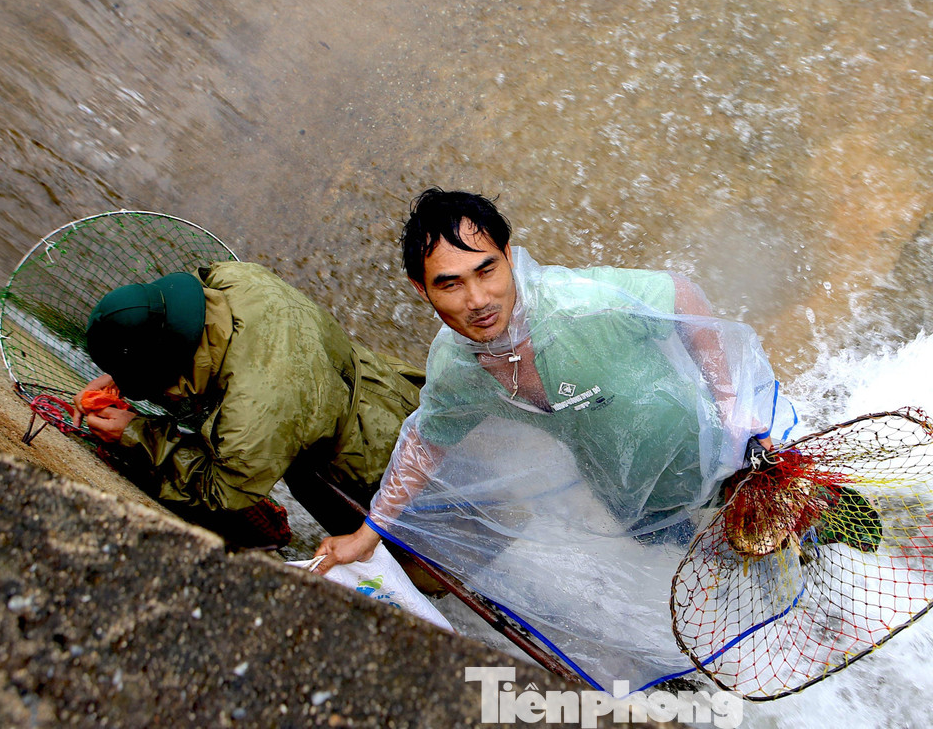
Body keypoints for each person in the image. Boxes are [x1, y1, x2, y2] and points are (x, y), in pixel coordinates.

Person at [313, 189, 779, 574]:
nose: (478, 300)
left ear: (507, 256)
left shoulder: (580, 305)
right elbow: (426, 440)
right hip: (631, 497)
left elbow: (682, 295)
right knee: (713, 565)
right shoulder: (457, 368)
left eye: (486, 270)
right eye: (450, 284)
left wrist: (731, 406)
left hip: (719, 455)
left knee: (796, 545)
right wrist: (368, 535)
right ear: (422, 288)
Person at [78, 260, 423, 547]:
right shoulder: (232, 277)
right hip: (392, 388)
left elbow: (225, 492)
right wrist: (122, 375)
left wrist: (137, 433)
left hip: (374, 465)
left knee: (417, 562)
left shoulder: (253, 411)